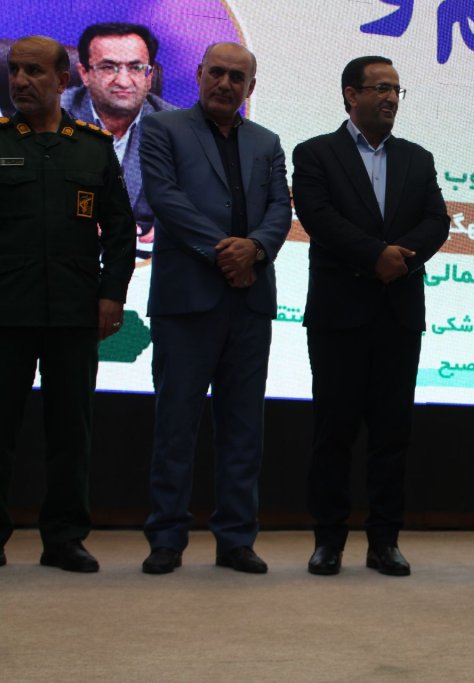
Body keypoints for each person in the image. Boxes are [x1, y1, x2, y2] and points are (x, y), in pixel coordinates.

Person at [292, 56, 448, 578]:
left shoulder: (418, 158)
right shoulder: (315, 153)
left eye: (396, 90)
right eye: (380, 88)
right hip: (339, 314)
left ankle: (385, 541)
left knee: (392, 434)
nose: (389, 98)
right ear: (350, 95)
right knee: (333, 432)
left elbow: (437, 221)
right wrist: (374, 255)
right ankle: (328, 540)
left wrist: (400, 259)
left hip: (398, 312)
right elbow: (318, 217)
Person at [138, 42, 291, 575]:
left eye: (237, 77)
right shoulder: (163, 128)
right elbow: (165, 198)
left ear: (251, 87)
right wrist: (228, 252)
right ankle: (166, 538)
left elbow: (280, 208)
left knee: (244, 427)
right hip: (187, 299)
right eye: (217, 73)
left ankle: (236, 539)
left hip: (250, 299)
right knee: (176, 424)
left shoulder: (268, 142)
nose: (226, 83)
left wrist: (257, 249)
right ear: (200, 74)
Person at [0, 36, 134, 572]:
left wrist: (112, 295)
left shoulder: (92, 147)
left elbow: (120, 231)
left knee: (70, 429)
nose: (20, 81)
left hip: (75, 310)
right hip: (7, 309)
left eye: (34, 71)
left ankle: (64, 537)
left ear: (62, 80)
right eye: (15, 70)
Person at [61, 23, 176, 259]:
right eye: (108, 67)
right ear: (84, 74)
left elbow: (203, 205)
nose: (123, 81)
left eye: (136, 68)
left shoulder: (178, 129)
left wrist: (172, 229)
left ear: (149, 76)